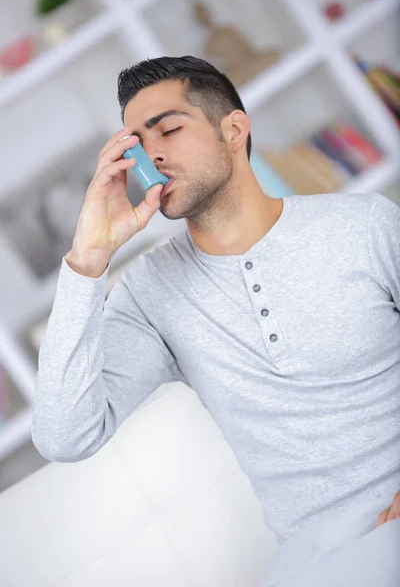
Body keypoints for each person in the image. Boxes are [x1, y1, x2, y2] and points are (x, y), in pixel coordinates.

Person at [31, 55, 400, 586]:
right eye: (136, 145)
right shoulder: (148, 293)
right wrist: (87, 259)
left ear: (233, 129)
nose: (150, 156)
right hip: (322, 560)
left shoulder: (363, 225)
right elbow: (66, 437)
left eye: (169, 130)